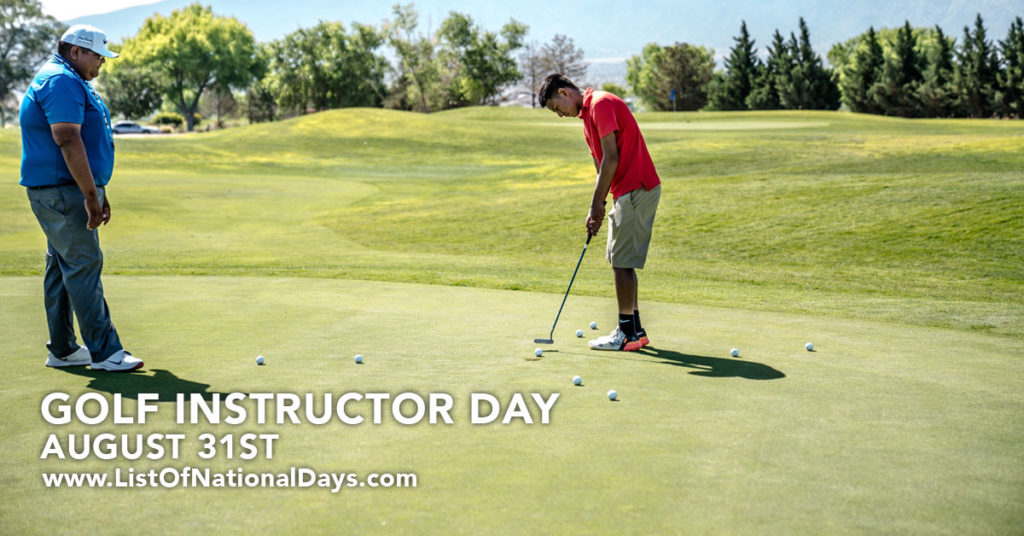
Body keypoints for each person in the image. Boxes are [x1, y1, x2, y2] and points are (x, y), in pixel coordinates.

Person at [20, 24, 143, 372]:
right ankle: (105, 352)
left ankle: (63, 350)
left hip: (67, 189)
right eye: (97, 56)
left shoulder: (70, 79)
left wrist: (97, 189)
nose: (102, 62)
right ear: (75, 51)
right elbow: (67, 138)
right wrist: (90, 195)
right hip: (63, 191)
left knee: (61, 268)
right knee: (84, 264)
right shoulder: (61, 81)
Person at [538, 74, 661, 352]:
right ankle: (635, 330)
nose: (560, 115)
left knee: (621, 262)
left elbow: (612, 158)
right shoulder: (587, 119)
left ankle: (626, 333)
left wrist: (597, 204)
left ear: (564, 92)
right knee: (620, 260)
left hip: (636, 187)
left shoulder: (601, 104)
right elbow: (600, 167)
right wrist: (598, 206)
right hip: (625, 190)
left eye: (557, 108)